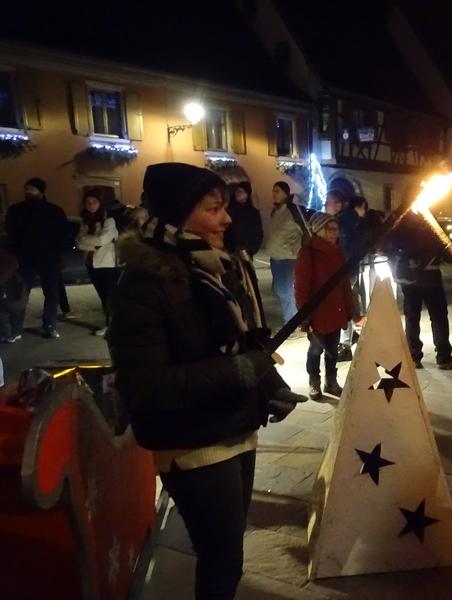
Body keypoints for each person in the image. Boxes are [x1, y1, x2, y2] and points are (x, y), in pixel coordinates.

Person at [109, 163, 304, 600]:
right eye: (213, 208)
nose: (227, 218)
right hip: (192, 445)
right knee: (222, 561)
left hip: (235, 428)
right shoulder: (143, 284)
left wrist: (266, 383)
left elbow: (237, 343)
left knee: (228, 555)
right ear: (178, 215)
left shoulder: (220, 267)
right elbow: (144, 387)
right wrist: (241, 371)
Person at [389, 212, 452, 370]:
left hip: (412, 279)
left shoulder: (401, 223)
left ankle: (414, 355)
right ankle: (442, 356)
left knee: (414, 317)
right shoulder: (427, 223)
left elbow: (391, 245)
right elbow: (444, 249)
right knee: (437, 317)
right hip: (428, 278)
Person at [295, 212, 354, 400]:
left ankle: (331, 381)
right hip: (317, 314)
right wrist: (305, 316)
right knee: (316, 349)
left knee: (332, 349)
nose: (335, 233)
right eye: (331, 229)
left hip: (335, 311)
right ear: (318, 230)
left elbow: (344, 283)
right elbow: (301, 287)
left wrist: (348, 308)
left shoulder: (337, 252)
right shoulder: (308, 253)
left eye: (336, 229)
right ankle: (314, 381)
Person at [4, 177, 70, 338]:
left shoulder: (54, 211)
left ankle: (49, 325)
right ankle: (16, 328)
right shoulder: (16, 210)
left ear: (41, 191)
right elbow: (11, 233)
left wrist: (58, 255)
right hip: (25, 260)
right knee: (20, 295)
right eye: (26, 189)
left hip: (49, 259)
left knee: (51, 294)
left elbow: (63, 235)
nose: (28, 192)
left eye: (32, 189)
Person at [263, 181, 309, 325]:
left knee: (287, 291)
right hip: (275, 257)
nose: (274, 193)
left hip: (288, 258)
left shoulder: (294, 210)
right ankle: (290, 318)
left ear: (285, 193)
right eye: (273, 190)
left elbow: (306, 231)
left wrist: (303, 252)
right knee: (280, 290)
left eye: (277, 191)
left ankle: (292, 321)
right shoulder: (275, 211)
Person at [75, 189, 119, 337]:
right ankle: (111, 324)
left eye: (94, 202)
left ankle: (113, 326)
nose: (91, 205)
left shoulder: (109, 220)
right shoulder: (85, 220)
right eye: (88, 202)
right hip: (91, 263)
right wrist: (93, 243)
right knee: (103, 296)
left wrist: (88, 241)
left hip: (107, 264)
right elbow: (78, 241)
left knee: (109, 297)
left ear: (100, 204)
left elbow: (103, 239)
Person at [335, 196, 368, 362]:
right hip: (349, 267)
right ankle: (346, 342)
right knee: (346, 304)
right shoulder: (352, 221)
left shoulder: (343, 219)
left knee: (346, 302)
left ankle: (347, 340)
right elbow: (354, 246)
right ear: (360, 206)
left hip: (345, 267)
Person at [223, 181, 264, 259]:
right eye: (237, 191)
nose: (238, 193)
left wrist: (253, 249)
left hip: (247, 253)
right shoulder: (229, 210)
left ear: (247, 194)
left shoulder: (253, 212)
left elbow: (258, 232)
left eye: (241, 192)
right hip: (230, 252)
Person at [0, 247, 27, 343]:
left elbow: (12, 266)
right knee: (5, 312)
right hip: (8, 288)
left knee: (13, 309)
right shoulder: (7, 256)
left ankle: (12, 333)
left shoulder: (6, 257)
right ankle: (7, 334)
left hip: (10, 288)